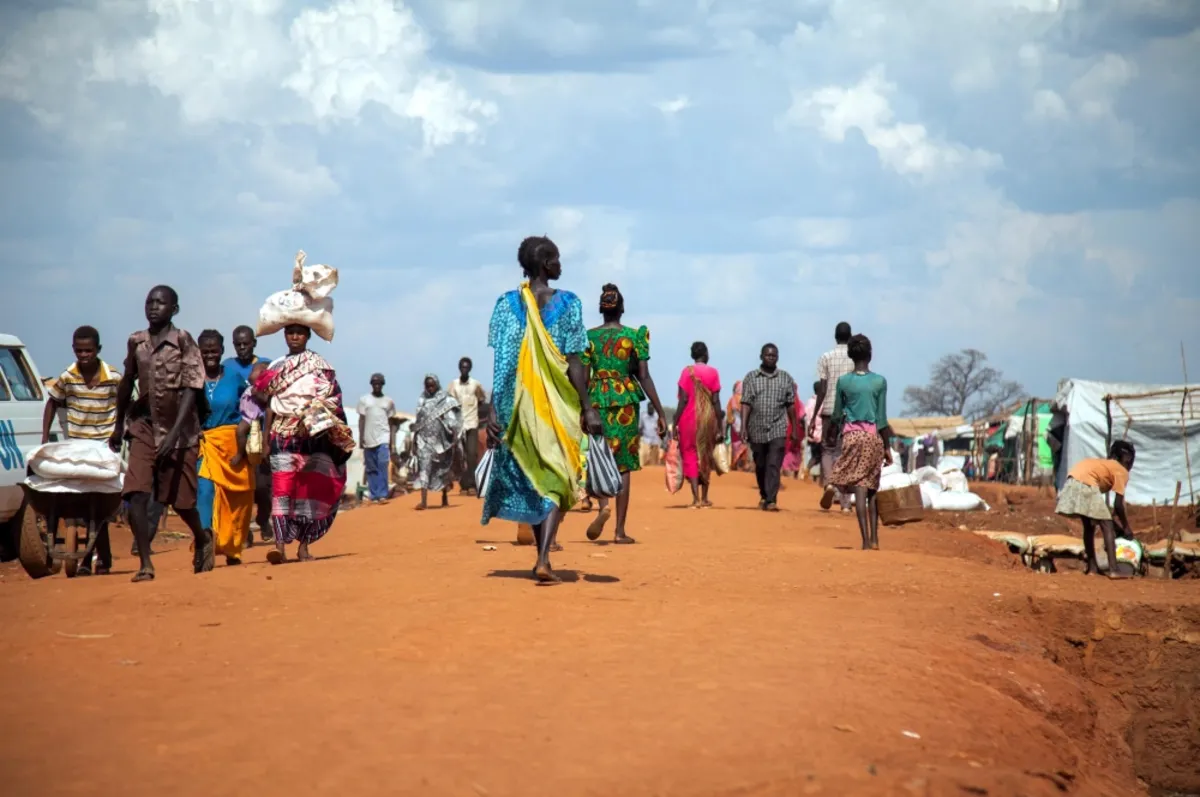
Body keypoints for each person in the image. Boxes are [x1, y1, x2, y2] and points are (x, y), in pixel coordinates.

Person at [481, 236, 602, 583]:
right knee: (558, 478)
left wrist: (494, 410)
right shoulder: (569, 303)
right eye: (558, 259)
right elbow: (576, 360)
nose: (561, 265)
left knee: (535, 479)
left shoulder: (506, 304)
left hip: (515, 406)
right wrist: (587, 405)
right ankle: (544, 557)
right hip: (554, 405)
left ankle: (541, 555)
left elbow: (501, 362)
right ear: (547, 264)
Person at [109, 286, 211, 582]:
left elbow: (193, 389)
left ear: (173, 309)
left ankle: (203, 537)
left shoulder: (183, 341)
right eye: (149, 302)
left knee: (182, 502)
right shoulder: (136, 342)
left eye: (160, 303)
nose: (153, 307)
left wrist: (174, 434)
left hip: (180, 431)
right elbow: (127, 382)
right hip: (143, 426)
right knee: (136, 493)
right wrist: (118, 426)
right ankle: (145, 563)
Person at [581, 283, 669, 544]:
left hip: (597, 400)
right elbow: (644, 376)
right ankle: (619, 531)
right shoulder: (634, 336)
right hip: (626, 402)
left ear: (601, 310)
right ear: (622, 309)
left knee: (600, 456)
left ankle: (603, 505)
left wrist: (583, 409)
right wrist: (661, 412)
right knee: (624, 465)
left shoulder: (589, 337)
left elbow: (584, 379)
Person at [261, 324, 353, 565]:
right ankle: (279, 547)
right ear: (284, 335)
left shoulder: (320, 366)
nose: (294, 337)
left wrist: (313, 414)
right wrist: (264, 439)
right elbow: (268, 403)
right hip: (281, 434)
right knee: (281, 490)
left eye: (300, 332)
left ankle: (303, 547)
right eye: (290, 332)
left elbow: (333, 398)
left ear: (308, 336)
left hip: (312, 436)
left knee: (309, 492)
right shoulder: (276, 367)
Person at [42, 326, 122, 575]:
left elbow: (125, 404)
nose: (84, 355)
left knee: (99, 502)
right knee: (83, 502)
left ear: (98, 350)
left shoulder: (114, 377)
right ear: (74, 350)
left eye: (88, 350)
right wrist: (45, 437)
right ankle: (91, 558)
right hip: (77, 444)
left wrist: (119, 432)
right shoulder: (68, 376)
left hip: (103, 445)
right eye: (79, 350)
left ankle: (96, 558)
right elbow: (52, 403)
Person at [196, 330, 255, 566]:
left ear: (222, 351)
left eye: (214, 350)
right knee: (205, 491)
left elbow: (251, 408)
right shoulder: (192, 379)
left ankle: (232, 548)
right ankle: (204, 544)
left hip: (233, 443)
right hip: (205, 443)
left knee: (237, 498)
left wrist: (246, 434)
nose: (210, 355)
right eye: (205, 351)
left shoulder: (234, 378)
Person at [828, 335, 891, 550]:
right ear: (870, 354)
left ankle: (864, 540)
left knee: (859, 487)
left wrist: (833, 432)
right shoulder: (879, 382)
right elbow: (882, 419)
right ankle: (875, 539)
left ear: (850, 355)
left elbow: (837, 414)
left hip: (852, 437)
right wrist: (888, 448)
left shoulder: (844, 381)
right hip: (873, 438)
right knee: (872, 486)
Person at [1055, 442, 1136, 578]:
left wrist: (1116, 524)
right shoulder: (1121, 471)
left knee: (1089, 526)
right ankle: (1114, 569)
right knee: (1107, 526)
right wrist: (1126, 528)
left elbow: (1103, 512)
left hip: (1072, 480)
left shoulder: (1105, 465)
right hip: (1087, 483)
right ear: (1128, 460)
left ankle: (1092, 568)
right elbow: (1118, 505)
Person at [224, 325, 273, 545]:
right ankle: (244, 531)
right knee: (241, 486)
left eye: (246, 343)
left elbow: (273, 398)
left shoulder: (265, 364)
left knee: (263, 486)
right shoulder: (227, 367)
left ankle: (263, 519)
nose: (242, 348)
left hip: (260, 432)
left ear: (254, 343)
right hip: (237, 430)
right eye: (238, 344)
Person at [741, 344, 802, 512]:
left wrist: (795, 428)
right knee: (761, 464)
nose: (771, 358)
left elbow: (790, 405)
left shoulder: (785, 378)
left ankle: (771, 499)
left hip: (778, 427)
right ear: (761, 356)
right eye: (768, 355)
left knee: (774, 463)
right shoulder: (751, 378)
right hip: (756, 428)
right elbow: (746, 403)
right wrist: (744, 427)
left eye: (774, 355)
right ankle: (764, 494)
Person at [675, 342, 723, 508]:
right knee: (706, 454)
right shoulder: (713, 373)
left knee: (690, 454)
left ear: (692, 355)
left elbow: (683, 400)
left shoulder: (686, 372)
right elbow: (716, 401)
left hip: (688, 419)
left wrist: (674, 421)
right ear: (706, 354)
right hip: (708, 419)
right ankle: (705, 497)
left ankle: (695, 499)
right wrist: (720, 425)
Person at [814, 322, 854, 512]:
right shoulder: (855, 358)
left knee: (828, 450)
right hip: (850, 412)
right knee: (846, 454)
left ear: (835, 336)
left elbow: (822, 389)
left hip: (829, 410)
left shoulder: (825, 357)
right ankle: (846, 504)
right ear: (850, 336)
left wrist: (815, 414)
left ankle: (830, 483)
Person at [412, 374, 463, 510]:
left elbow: (453, 418)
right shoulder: (421, 400)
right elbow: (418, 422)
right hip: (423, 440)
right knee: (424, 467)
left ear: (437, 384)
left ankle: (444, 496)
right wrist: (414, 441)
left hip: (441, 442)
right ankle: (423, 501)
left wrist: (450, 428)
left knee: (442, 469)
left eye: (432, 385)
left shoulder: (445, 399)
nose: (430, 388)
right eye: (427, 385)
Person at [447, 357, 487, 496]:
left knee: (471, 454)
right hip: (458, 425)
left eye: (467, 367)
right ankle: (463, 485)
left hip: (471, 423)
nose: (464, 369)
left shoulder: (475, 385)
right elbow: (449, 403)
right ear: (459, 368)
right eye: (462, 367)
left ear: (469, 368)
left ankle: (472, 484)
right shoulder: (454, 385)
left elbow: (481, 399)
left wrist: (474, 411)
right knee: (460, 455)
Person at [357, 373, 396, 505]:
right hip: (368, 438)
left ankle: (383, 495)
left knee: (383, 464)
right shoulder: (364, 400)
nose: (377, 385)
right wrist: (361, 437)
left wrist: (392, 442)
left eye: (379, 383)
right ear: (372, 385)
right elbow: (361, 420)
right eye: (375, 383)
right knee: (371, 468)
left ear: (383, 384)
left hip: (383, 437)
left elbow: (391, 422)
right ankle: (374, 495)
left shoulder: (388, 401)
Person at [781, 381, 807, 480]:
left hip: (786, 431)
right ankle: (792, 477)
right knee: (794, 453)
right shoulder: (799, 403)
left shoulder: (783, 401)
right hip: (797, 432)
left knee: (786, 453)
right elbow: (803, 418)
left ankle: (788, 477)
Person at [726, 381, 749, 471]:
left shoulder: (732, 399)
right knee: (744, 445)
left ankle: (735, 465)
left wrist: (730, 422)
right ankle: (742, 466)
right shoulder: (746, 399)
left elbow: (729, 413)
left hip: (734, 427)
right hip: (745, 426)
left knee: (735, 446)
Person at [804, 381, 822, 479]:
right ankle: (810, 472)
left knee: (815, 455)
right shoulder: (821, 402)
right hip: (820, 433)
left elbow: (805, 416)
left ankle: (808, 472)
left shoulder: (810, 401)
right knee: (821, 456)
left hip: (811, 433)